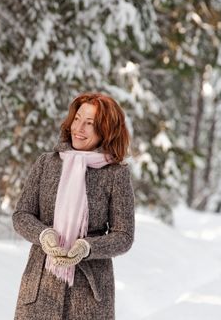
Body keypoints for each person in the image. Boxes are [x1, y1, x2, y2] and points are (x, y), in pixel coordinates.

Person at [13, 92, 135, 320]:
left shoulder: (116, 174)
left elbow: (123, 236)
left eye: (90, 123)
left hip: (89, 295)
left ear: (106, 130)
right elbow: (22, 215)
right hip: (39, 289)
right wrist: (44, 235)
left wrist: (87, 247)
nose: (79, 128)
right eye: (77, 119)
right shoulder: (47, 163)